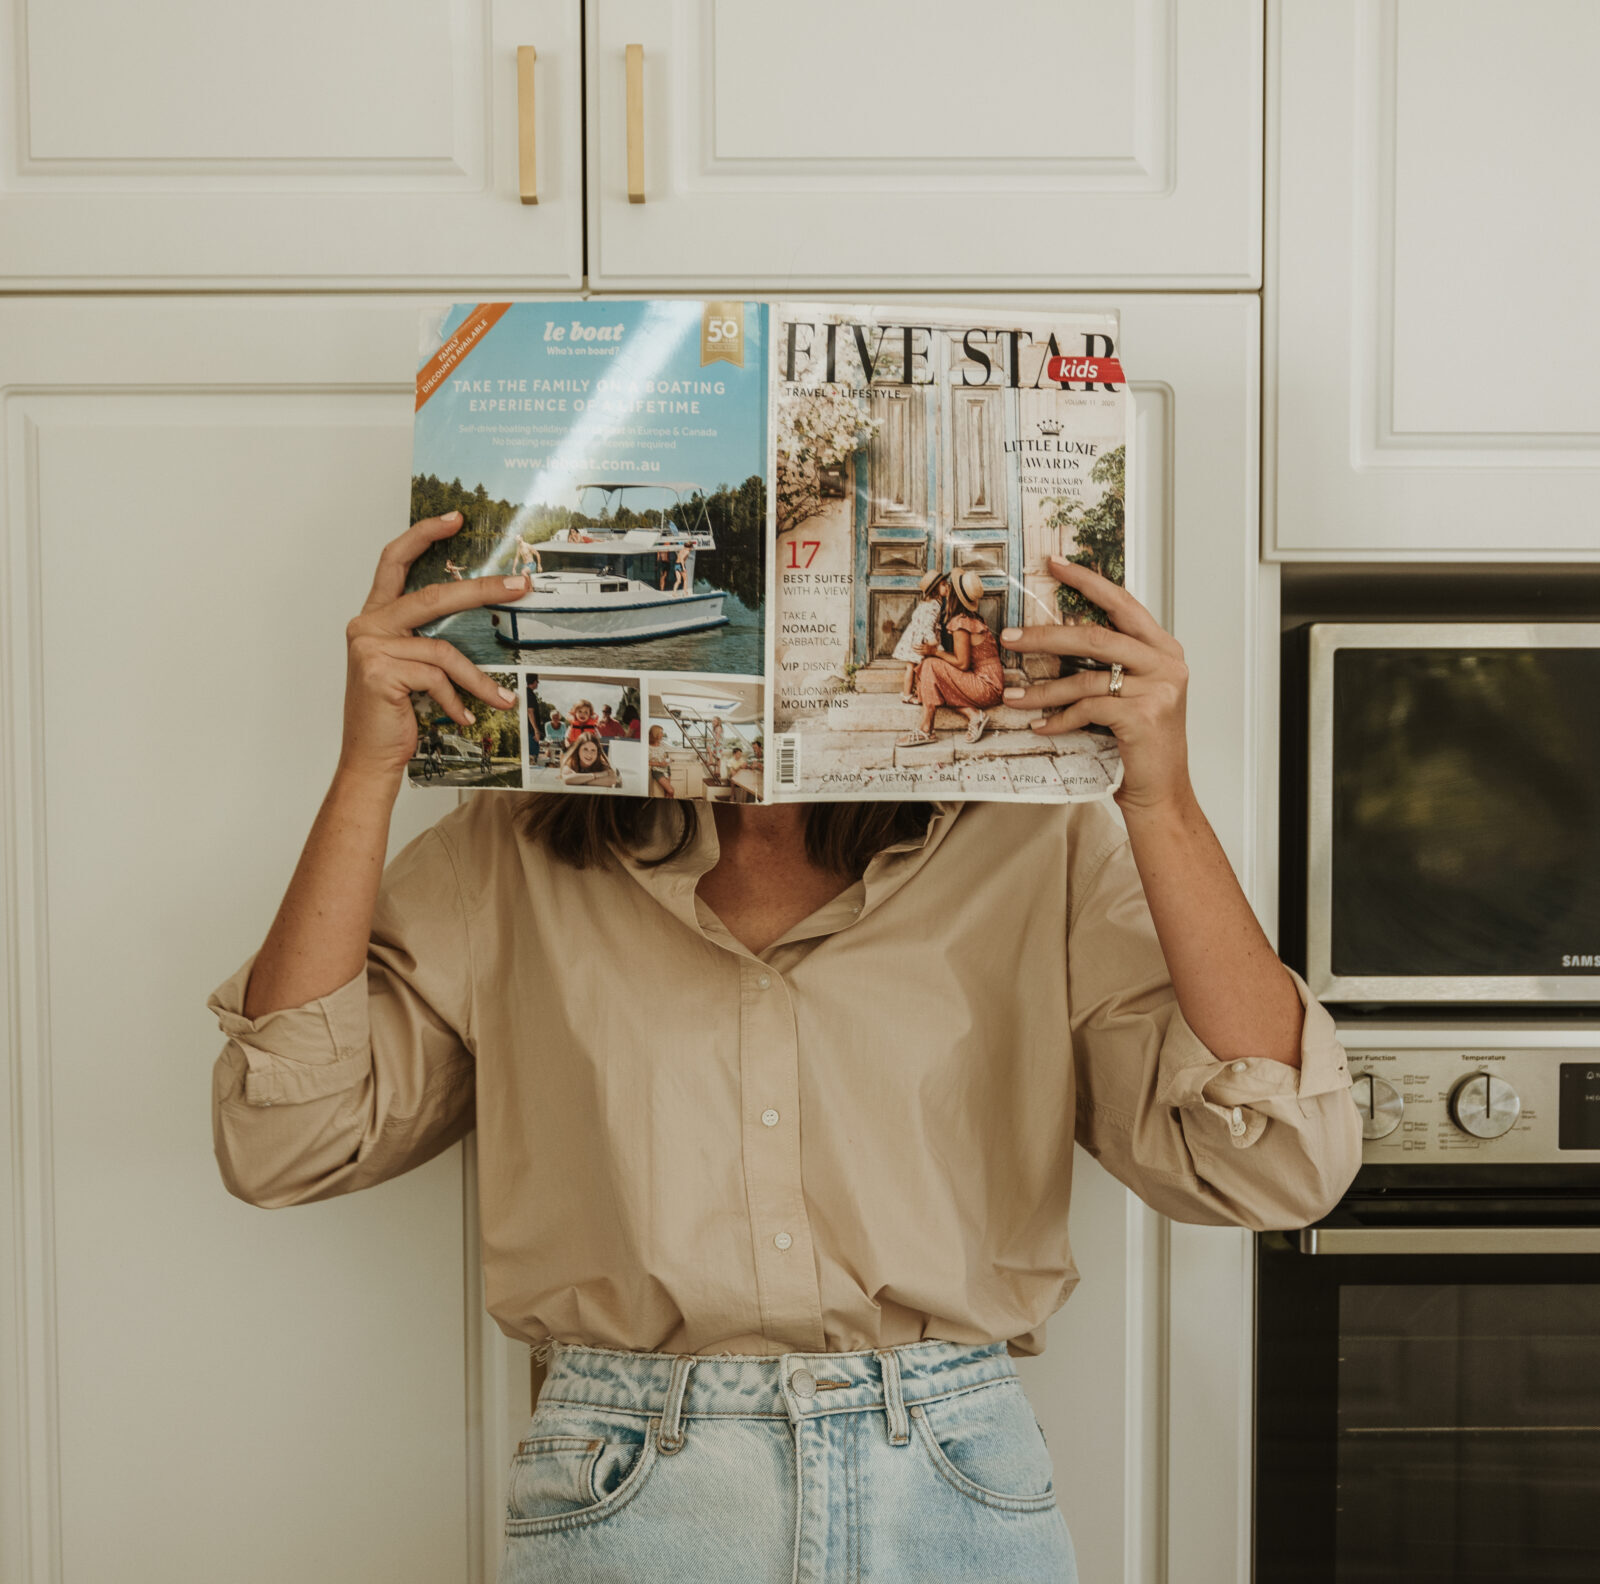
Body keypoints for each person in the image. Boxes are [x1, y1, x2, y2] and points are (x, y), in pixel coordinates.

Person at [206, 509, 1360, 1583]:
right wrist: (367, 770)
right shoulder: (503, 852)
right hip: (621, 1479)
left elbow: (1277, 1167)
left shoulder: (1035, 848)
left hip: (955, 1477)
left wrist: (1159, 803)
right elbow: (289, 1144)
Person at [897, 568, 1006, 749]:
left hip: (986, 686)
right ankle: (973, 714)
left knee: (929, 665)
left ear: (953, 595)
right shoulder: (970, 619)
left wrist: (934, 652)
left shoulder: (961, 623)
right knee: (932, 677)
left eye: (949, 587)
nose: (946, 589)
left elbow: (962, 664)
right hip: (989, 682)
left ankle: (926, 729)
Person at [891, 567, 950, 703]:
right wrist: (933, 642)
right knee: (920, 667)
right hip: (921, 640)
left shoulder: (927, 603)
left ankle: (909, 694)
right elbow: (927, 626)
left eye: (946, 583)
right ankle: (916, 694)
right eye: (943, 584)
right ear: (935, 589)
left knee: (911, 667)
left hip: (914, 638)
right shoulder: (934, 605)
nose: (947, 586)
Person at [647, 724, 674, 798]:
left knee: (667, 792)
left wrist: (668, 760)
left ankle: (667, 808)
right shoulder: (647, 747)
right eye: (661, 733)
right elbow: (646, 762)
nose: (663, 734)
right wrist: (659, 764)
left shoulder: (662, 744)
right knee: (671, 791)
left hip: (666, 769)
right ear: (655, 734)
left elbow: (663, 756)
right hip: (657, 771)